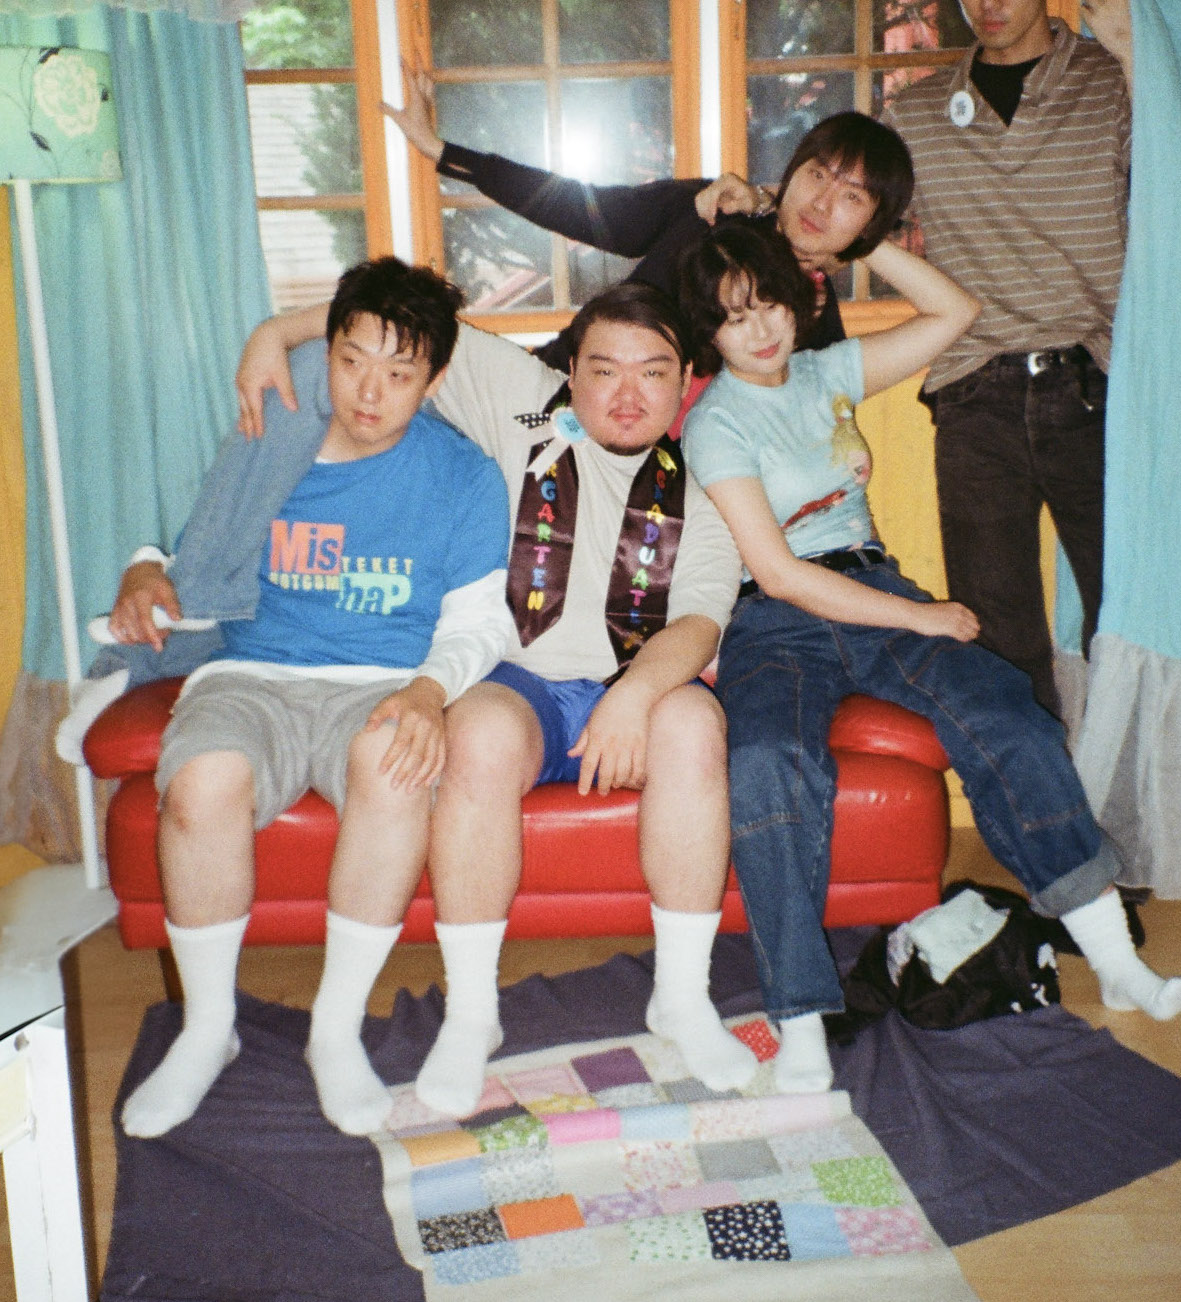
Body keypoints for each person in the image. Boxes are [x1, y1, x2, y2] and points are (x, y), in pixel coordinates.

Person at [676, 221, 1181, 1093]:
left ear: (797, 299)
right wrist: (921, 618)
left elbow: (955, 311)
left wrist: (858, 242)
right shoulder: (715, 422)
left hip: (872, 587)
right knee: (767, 761)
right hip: (774, 619)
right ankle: (800, 1018)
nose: (759, 328)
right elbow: (780, 572)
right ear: (709, 333)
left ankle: (1113, 959)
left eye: (769, 303)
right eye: (733, 317)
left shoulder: (827, 373)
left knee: (1005, 714)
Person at [232, 280, 756, 1117]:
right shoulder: (522, 403)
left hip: (638, 680)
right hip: (519, 681)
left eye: (652, 372)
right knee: (474, 737)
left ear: (685, 380)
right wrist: (275, 329)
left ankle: (682, 999)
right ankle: (474, 1012)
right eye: (604, 370)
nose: (626, 394)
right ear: (569, 374)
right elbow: (398, 317)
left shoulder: (709, 485)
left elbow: (698, 623)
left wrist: (633, 696)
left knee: (694, 724)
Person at [110, 257, 515, 1139]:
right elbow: (193, 543)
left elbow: (481, 622)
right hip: (252, 672)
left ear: (434, 380)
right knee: (202, 781)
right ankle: (208, 1028)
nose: (368, 392)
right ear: (325, 352)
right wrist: (145, 567)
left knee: (395, 767)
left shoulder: (463, 474)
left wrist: (427, 692)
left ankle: (335, 1027)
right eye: (351, 361)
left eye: (398, 373)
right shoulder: (275, 435)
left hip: (379, 684)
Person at [696, 0, 1134, 717]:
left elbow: (1171, 188)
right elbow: (844, 195)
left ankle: (1125, 781)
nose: (989, 5)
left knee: (1126, 612)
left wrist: (1132, 55)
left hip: (1096, 379)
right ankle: (1034, 780)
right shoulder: (922, 110)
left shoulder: (1109, 75)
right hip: (974, 389)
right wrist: (770, 204)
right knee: (997, 637)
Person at [374, 67, 912, 376]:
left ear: (871, 224)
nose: (822, 203)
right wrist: (443, 153)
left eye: (852, 197)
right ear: (793, 172)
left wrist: (849, 248)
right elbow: (578, 205)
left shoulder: (814, 321)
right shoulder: (713, 209)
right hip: (556, 386)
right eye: (817, 175)